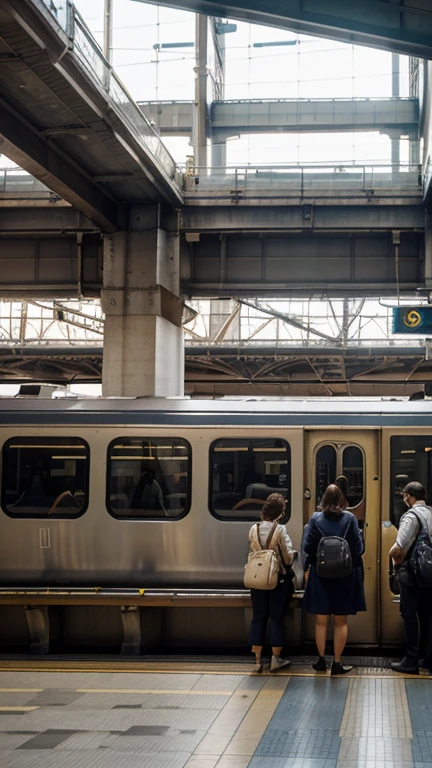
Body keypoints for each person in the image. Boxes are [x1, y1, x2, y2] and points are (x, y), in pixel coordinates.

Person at [303, 484, 366, 675]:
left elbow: (307, 547)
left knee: (321, 621)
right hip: (345, 576)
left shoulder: (316, 519)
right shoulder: (350, 519)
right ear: (342, 500)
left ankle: (321, 661)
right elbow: (358, 549)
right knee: (341, 622)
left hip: (320, 576)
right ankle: (337, 664)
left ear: (323, 501)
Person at [247, 493, 294, 673]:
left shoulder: (253, 529)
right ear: (280, 513)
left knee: (258, 617)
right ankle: (275, 659)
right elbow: (287, 557)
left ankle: (258, 660)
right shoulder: (280, 530)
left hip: (257, 579)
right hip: (276, 580)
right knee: (276, 619)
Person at [389, 481, 432, 674]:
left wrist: (392, 556)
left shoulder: (410, 516)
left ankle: (411, 659)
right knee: (427, 615)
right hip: (428, 571)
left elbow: (400, 546)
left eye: (405, 496)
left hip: (412, 573)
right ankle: (428, 657)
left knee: (409, 614)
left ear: (409, 496)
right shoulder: (430, 513)